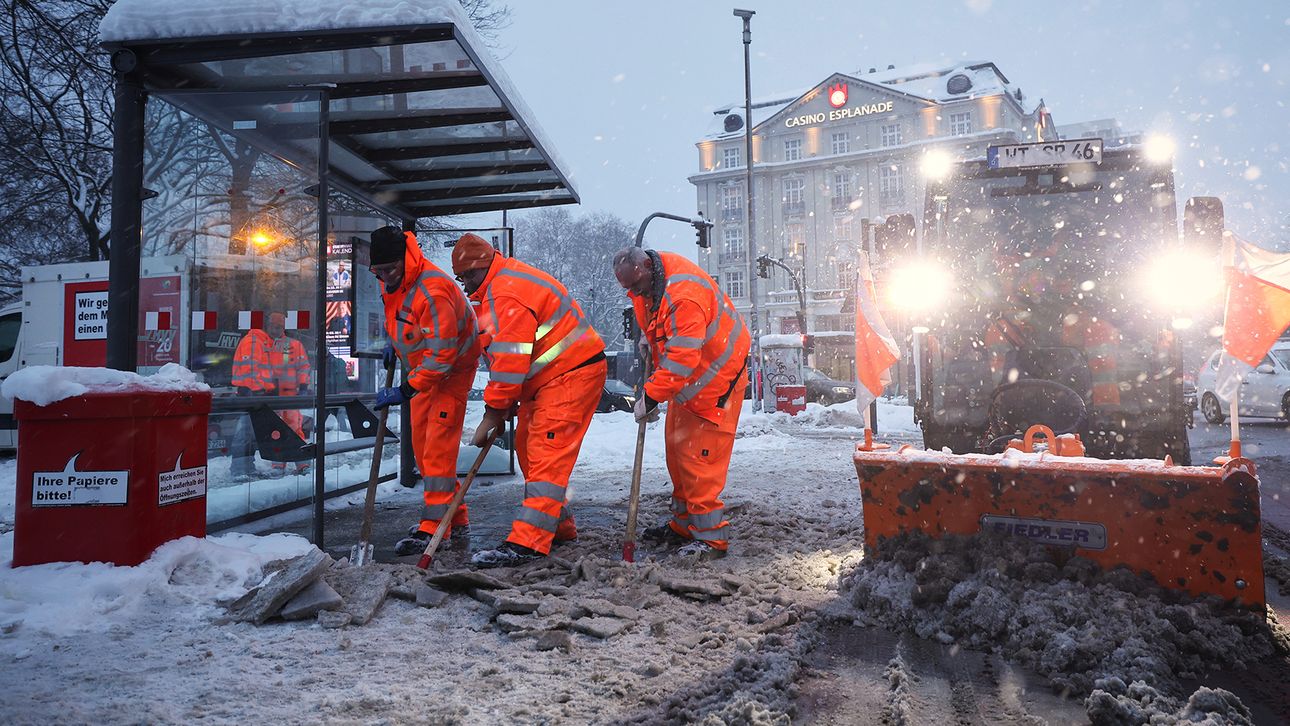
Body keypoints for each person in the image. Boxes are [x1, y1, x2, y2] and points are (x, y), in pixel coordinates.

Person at [452, 233, 607, 568]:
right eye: (460, 278)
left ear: (482, 266)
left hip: (571, 374)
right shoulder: (500, 287)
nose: (465, 285)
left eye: (467, 276)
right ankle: (557, 526)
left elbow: (511, 360)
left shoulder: (505, 293)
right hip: (550, 378)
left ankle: (529, 541)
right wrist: (504, 404)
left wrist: (494, 411)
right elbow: (511, 357)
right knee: (528, 449)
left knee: (546, 454)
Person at [612, 247, 751, 560]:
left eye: (636, 286)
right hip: (690, 384)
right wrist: (649, 338)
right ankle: (685, 525)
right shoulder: (650, 282)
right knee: (678, 455)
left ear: (647, 266)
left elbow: (682, 359)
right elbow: (662, 327)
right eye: (630, 289)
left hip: (715, 383)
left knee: (699, 462)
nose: (635, 293)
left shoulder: (684, 295)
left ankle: (711, 539)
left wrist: (650, 396)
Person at [367, 225, 482, 556]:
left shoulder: (433, 290)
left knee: (437, 449)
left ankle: (434, 527)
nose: (385, 276)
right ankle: (455, 517)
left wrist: (405, 389)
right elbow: (404, 320)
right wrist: (395, 344)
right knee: (421, 447)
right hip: (424, 371)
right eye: (379, 271)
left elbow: (443, 354)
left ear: (404, 259)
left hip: (452, 372)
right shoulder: (394, 281)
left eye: (390, 269)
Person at [230, 311, 312, 477]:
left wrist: (303, 385)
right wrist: (260, 390)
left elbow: (301, 367)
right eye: (274, 326)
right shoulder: (261, 343)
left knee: (292, 429)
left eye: (279, 327)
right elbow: (256, 370)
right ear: (267, 326)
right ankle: (277, 464)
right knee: (272, 431)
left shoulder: (286, 345)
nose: (276, 330)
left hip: (282, 395)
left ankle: (300, 463)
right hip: (267, 395)